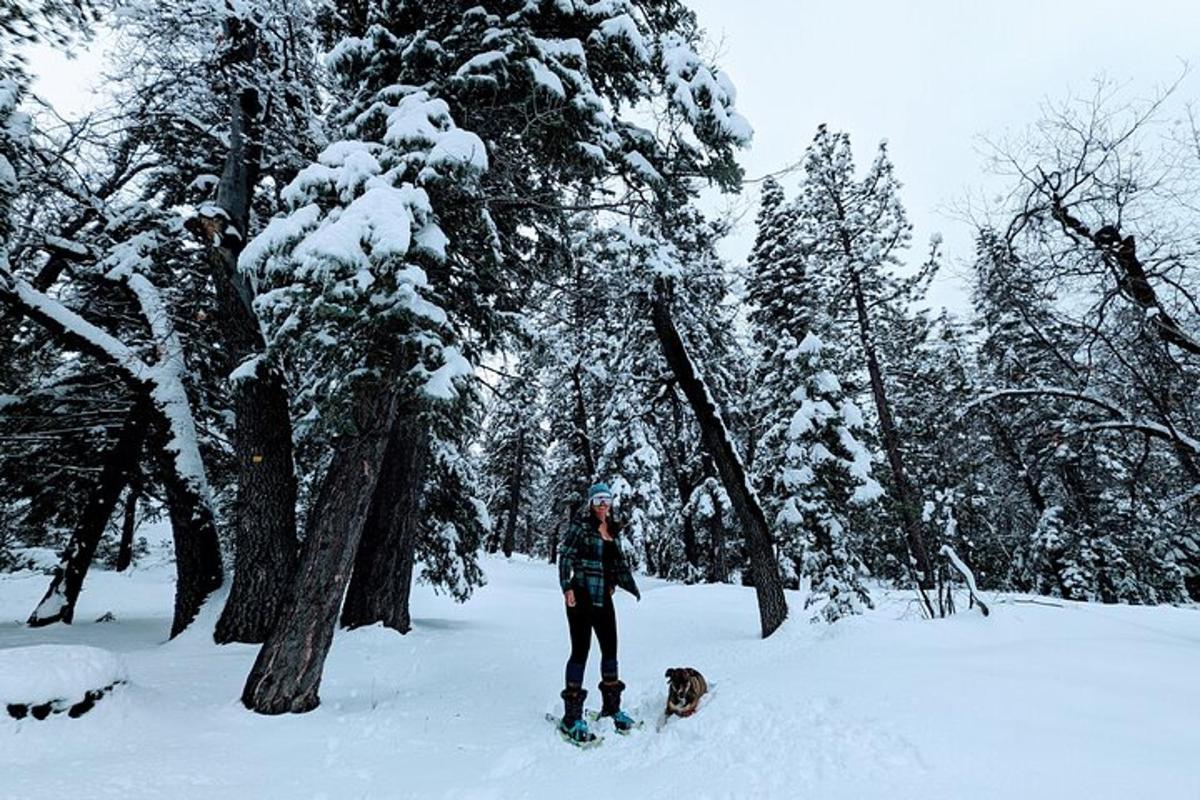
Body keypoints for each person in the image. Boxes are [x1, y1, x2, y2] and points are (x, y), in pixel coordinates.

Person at [556, 481, 641, 744]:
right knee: (580, 650)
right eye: (598, 500)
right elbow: (565, 557)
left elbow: (613, 561)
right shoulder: (580, 527)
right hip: (580, 595)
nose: (603, 505)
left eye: (606, 500)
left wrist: (614, 582)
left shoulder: (612, 530)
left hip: (603, 597)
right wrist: (566, 587)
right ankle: (571, 718)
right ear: (591, 503)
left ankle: (611, 708)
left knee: (610, 649)